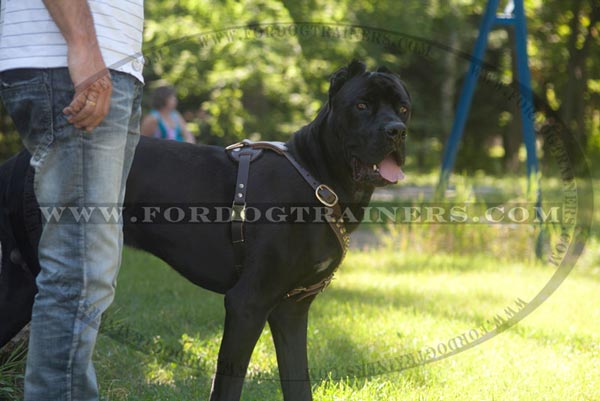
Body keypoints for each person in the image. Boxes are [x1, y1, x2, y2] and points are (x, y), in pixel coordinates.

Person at [0, 1, 144, 400]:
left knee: (91, 272)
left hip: (109, 65)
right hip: (70, 63)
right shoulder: (77, 51)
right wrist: (82, 42)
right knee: (78, 270)